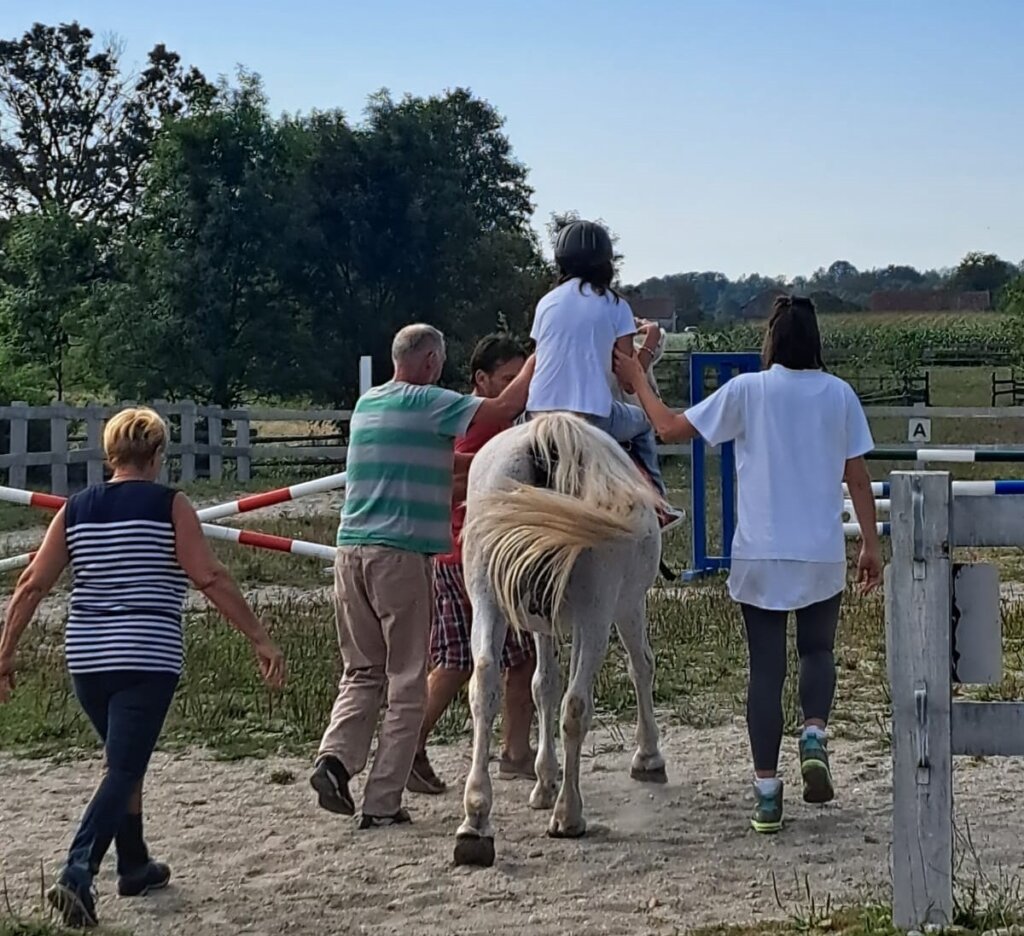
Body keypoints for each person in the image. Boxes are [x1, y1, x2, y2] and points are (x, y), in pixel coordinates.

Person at [0, 407, 285, 929]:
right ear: (157, 456)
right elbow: (209, 576)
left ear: (110, 455)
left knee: (123, 759)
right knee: (124, 767)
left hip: (86, 657)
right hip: (146, 655)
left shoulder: (76, 508)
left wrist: (5, 652)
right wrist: (259, 637)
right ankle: (77, 871)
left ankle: (134, 865)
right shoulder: (169, 505)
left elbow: (31, 584)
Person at [614, 295, 883, 834]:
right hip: (819, 549)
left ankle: (766, 794)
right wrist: (871, 546)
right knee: (818, 650)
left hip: (759, 551)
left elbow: (666, 427)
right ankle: (814, 735)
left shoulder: (747, 391)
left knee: (765, 670)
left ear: (772, 341)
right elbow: (856, 477)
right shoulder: (839, 394)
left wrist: (637, 375)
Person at [311, 323, 535, 829]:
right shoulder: (430, 401)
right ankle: (383, 800)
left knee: (362, 671)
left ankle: (335, 758)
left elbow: (440, 461)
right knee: (407, 678)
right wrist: (540, 356)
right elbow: (502, 409)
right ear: (432, 362)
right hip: (403, 554)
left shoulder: (371, 404)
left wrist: (487, 463)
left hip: (350, 552)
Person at [407, 334, 537, 796]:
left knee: (455, 661)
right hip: (483, 555)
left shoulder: (460, 420)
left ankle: (409, 749)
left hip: (452, 552)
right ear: (481, 380)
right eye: (508, 380)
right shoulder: (486, 424)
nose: (517, 389)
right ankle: (515, 753)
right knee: (519, 660)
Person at [526, 219, 683, 529]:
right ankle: (660, 506)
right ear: (606, 263)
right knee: (640, 425)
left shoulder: (546, 303)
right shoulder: (616, 305)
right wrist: (647, 347)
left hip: (536, 414)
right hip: (591, 417)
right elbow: (626, 379)